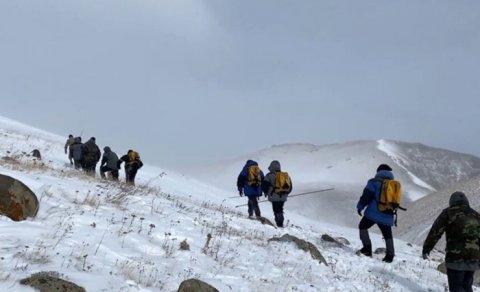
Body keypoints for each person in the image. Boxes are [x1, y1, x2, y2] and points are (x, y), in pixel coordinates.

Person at [422, 191, 480, 292]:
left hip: (455, 257)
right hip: (474, 258)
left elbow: (435, 231)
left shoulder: (448, 212)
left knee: (456, 287)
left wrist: (427, 248)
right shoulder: (476, 214)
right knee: (467, 286)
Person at [356, 163, 396, 263]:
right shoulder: (393, 185)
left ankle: (367, 249)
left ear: (378, 172)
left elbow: (366, 196)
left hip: (373, 213)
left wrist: (360, 207)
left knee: (363, 226)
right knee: (387, 235)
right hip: (388, 214)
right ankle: (390, 256)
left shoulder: (373, 182)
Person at [262, 160, 292, 227]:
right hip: (283, 196)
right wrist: (285, 193)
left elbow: (264, 186)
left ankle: (279, 224)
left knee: (276, 210)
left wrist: (266, 192)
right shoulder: (285, 175)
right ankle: (280, 223)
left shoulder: (269, 175)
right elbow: (290, 187)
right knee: (280, 209)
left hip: (274, 196)